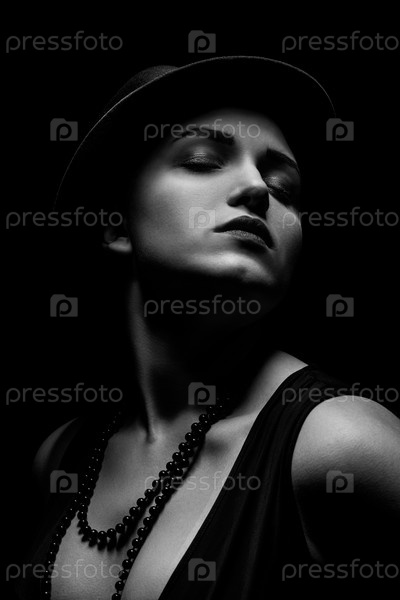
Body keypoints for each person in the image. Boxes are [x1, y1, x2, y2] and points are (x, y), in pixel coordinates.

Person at [17, 57, 400, 599]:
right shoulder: (60, 456)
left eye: (284, 188)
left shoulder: (340, 443)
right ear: (115, 225)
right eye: (202, 161)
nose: (257, 189)